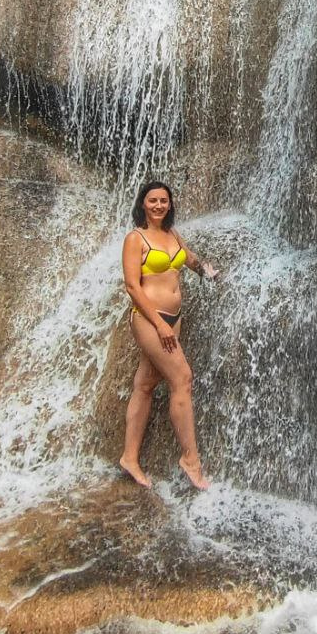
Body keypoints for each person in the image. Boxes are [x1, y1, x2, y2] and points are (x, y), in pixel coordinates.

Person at [119, 180, 218, 490]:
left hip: (172, 319)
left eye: (164, 200)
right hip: (149, 319)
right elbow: (133, 286)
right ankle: (191, 460)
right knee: (182, 378)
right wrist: (160, 324)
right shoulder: (135, 239)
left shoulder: (172, 235)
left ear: (170, 204)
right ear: (143, 204)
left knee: (146, 384)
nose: (159, 205)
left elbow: (188, 259)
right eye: (153, 200)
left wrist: (206, 269)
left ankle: (129, 458)